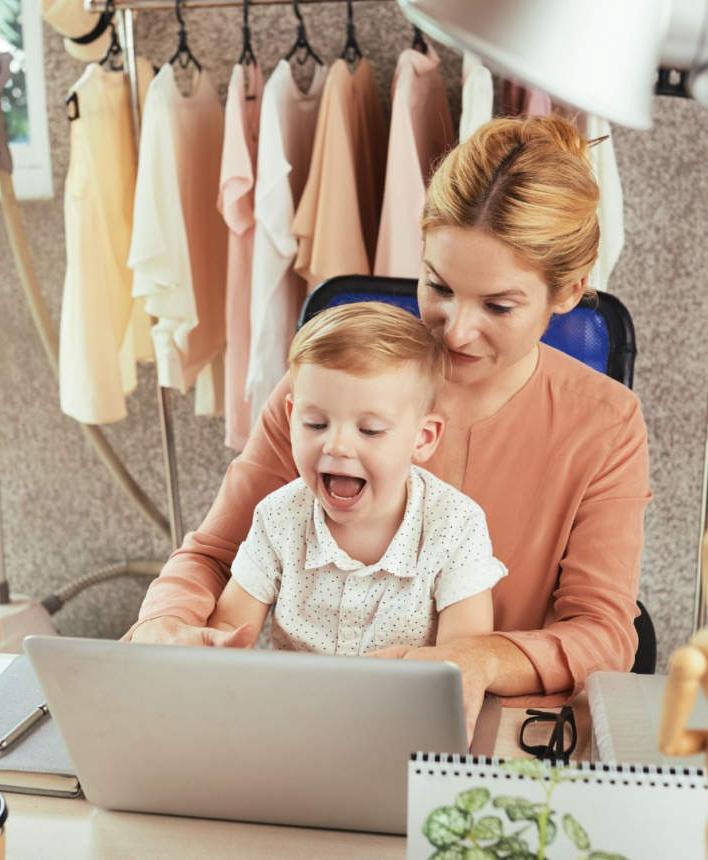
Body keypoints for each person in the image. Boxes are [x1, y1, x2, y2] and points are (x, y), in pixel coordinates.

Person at [130, 114, 651, 729]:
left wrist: (477, 661)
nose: (456, 329)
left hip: (491, 731)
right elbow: (215, 554)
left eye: (498, 306)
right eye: (438, 286)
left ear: (567, 293)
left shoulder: (606, 424)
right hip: (308, 723)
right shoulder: (323, 392)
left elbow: (602, 630)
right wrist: (164, 621)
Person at [206, 303, 507, 653]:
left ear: (422, 438)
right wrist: (220, 649)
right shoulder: (279, 516)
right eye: (316, 424)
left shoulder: (456, 525)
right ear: (291, 419)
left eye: (370, 430)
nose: (336, 446)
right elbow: (229, 623)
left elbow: (464, 658)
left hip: (406, 706)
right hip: (297, 704)